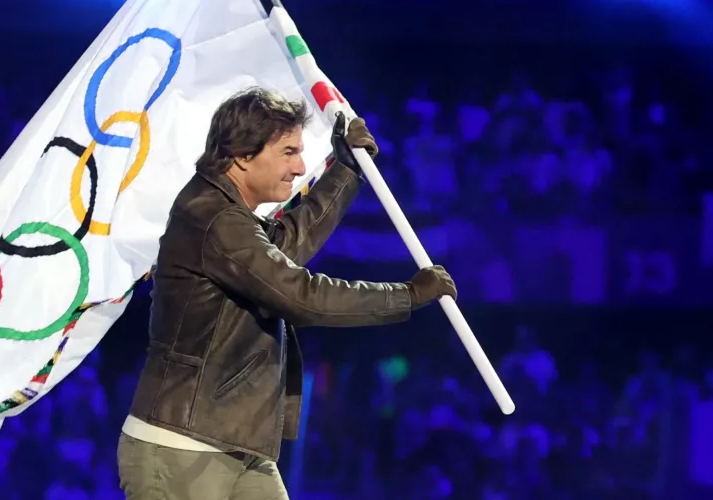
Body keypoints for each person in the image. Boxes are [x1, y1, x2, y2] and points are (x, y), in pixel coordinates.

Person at [117, 87, 458, 499]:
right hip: (181, 448)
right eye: (289, 152)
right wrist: (405, 295)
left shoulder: (228, 215)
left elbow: (285, 248)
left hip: (236, 447)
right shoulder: (212, 217)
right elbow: (300, 294)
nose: (299, 167)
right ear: (243, 154)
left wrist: (346, 169)